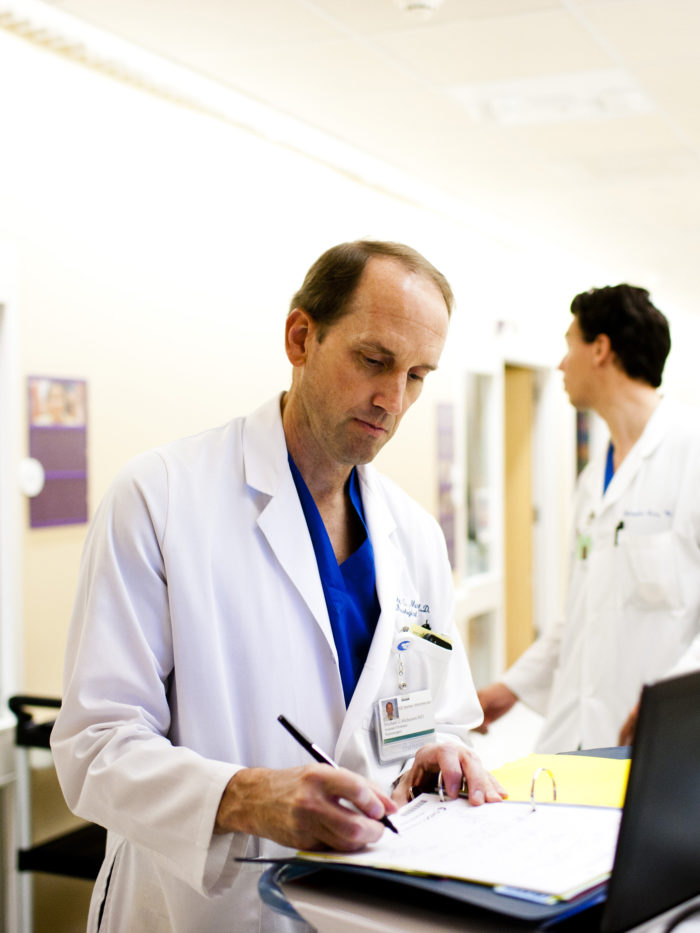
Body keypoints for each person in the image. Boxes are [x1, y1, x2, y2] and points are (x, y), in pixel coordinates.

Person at [51, 240, 504, 933]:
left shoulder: (414, 535)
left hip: (370, 905)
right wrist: (244, 796)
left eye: (418, 375)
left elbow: (433, 712)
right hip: (200, 909)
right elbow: (95, 746)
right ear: (301, 337)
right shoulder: (160, 497)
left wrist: (440, 747)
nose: (393, 399)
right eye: (374, 360)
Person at [477, 284, 700, 754]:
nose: (560, 365)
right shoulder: (591, 481)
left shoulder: (691, 454)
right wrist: (511, 688)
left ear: (600, 349)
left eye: (568, 345)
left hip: (659, 740)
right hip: (574, 739)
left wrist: (673, 700)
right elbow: (582, 613)